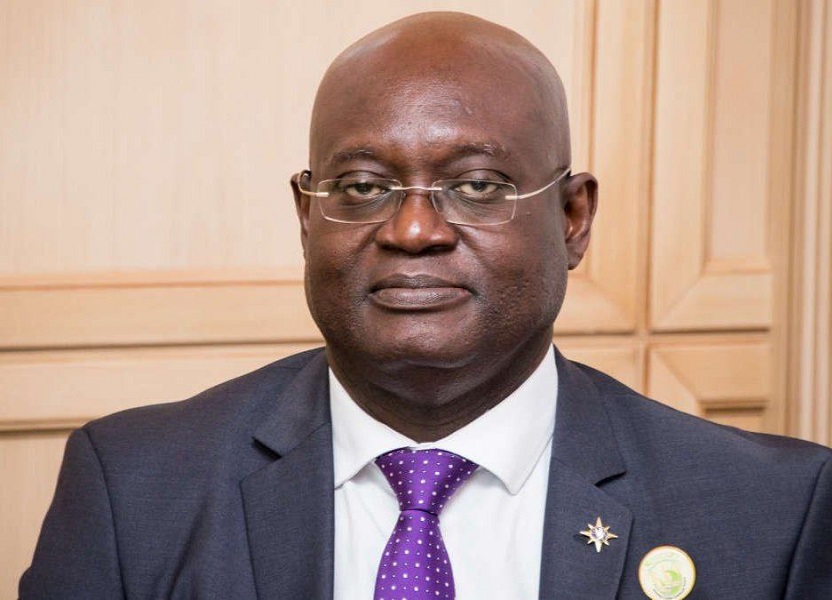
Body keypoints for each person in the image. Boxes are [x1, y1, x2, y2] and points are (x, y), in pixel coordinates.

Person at [20, 11, 832, 600]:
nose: (413, 230)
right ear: (307, 218)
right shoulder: (133, 489)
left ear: (573, 219)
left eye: (477, 186)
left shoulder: (770, 514)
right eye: (362, 186)